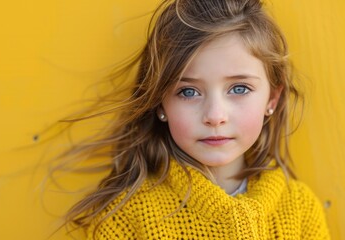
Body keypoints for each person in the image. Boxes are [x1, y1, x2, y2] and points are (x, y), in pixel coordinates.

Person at [58, 0, 330, 239]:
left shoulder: (301, 209)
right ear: (159, 103)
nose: (214, 116)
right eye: (188, 92)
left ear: (272, 98)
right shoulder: (126, 218)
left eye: (239, 89)